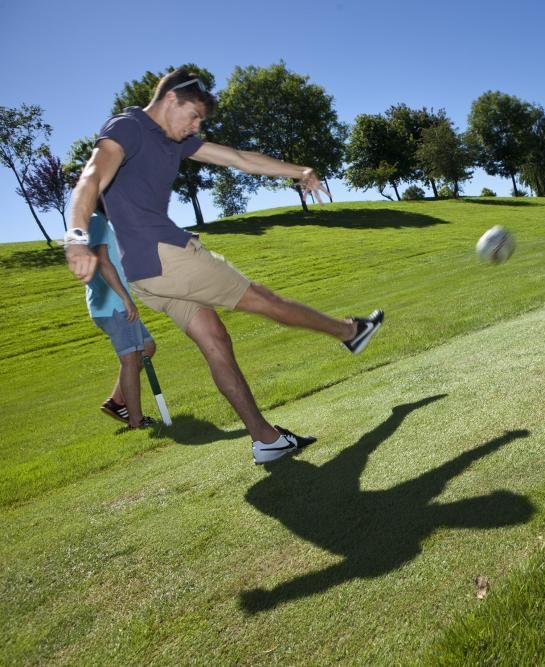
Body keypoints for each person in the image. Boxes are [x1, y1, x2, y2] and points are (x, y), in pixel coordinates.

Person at [64, 68, 383, 464]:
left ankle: (265, 439)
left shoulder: (172, 141)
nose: (196, 126)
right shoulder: (129, 127)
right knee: (263, 300)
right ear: (170, 101)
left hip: (147, 277)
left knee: (215, 340)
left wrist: (299, 171)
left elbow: (237, 158)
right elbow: (91, 177)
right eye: (193, 116)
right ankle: (350, 331)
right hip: (167, 255)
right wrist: (76, 236)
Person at [87, 200, 158, 430]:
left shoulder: (100, 223)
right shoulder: (96, 221)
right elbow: (102, 262)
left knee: (147, 347)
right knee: (130, 359)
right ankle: (136, 421)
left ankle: (117, 401)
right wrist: (125, 298)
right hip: (113, 306)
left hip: (114, 304)